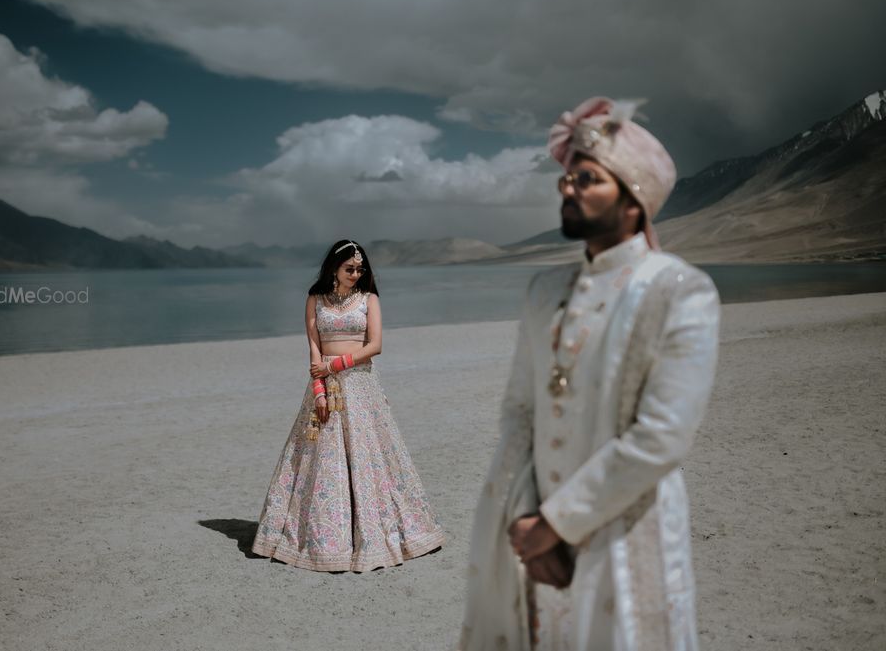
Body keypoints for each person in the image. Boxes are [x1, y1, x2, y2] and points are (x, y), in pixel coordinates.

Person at [459, 97, 721, 650]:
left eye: (588, 177)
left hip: (625, 530)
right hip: (532, 534)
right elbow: (520, 411)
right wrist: (525, 517)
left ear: (633, 199)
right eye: (566, 177)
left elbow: (662, 438)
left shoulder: (680, 291)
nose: (568, 188)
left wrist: (556, 525)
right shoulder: (543, 291)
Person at [252, 239, 446, 572]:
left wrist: (335, 365)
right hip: (324, 386)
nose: (355, 274)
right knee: (319, 460)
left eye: (359, 269)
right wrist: (319, 390)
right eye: (349, 269)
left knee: (368, 456)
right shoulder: (315, 299)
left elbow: (376, 345)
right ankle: (320, 537)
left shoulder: (369, 300)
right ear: (334, 268)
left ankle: (379, 533)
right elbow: (313, 349)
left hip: (360, 386)